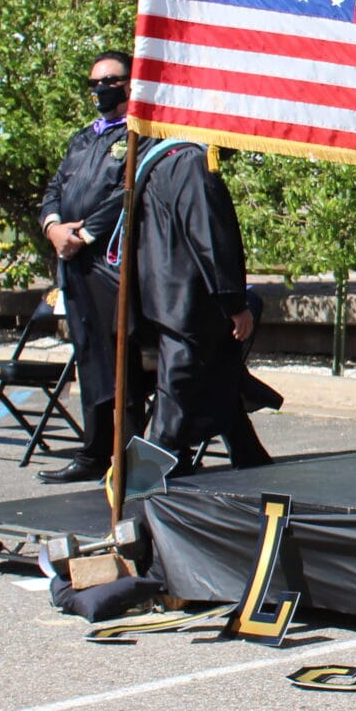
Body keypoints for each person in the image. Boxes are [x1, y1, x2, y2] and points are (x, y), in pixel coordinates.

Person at [129, 139, 272, 470]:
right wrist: (234, 302)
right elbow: (209, 235)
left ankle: (250, 456)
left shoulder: (158, 159)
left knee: (220, 378)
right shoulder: (192, 162)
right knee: (176, 398)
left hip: (164, 294)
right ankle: (144, 476)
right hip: (190, 300)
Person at [34, 51, 135, 483]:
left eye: (109, 81)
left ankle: (129, 455)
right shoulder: (82, 139)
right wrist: (54, 228)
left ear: (129, 82)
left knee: (120, 364)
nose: (100, 90)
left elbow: (128, 192)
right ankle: (94, 450)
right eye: (93, 83)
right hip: (74, 267)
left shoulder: (137, 135)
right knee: (89, 359)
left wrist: (84, 235)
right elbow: (55, 188)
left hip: (110, 266)